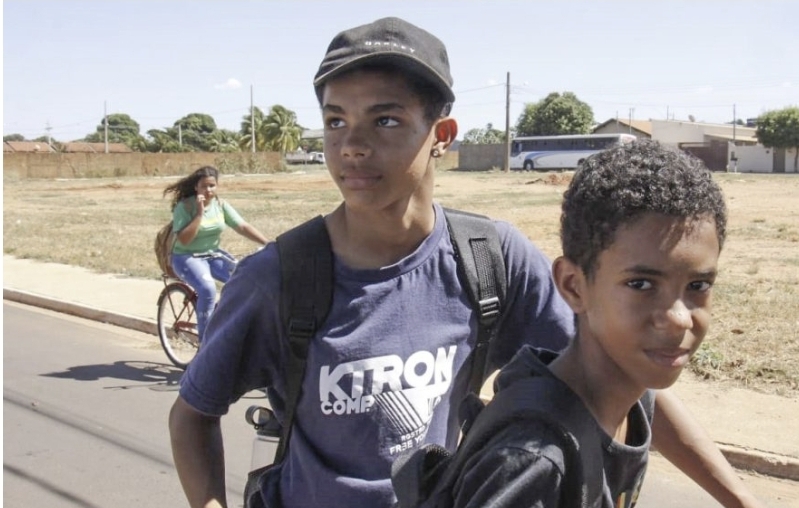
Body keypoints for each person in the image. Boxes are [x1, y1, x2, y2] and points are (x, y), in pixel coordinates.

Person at [169, 17, 763, 508]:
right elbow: (193, 413)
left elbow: (626, 369)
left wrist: (738, 499)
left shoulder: (490, 259)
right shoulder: (279, 277)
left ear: (443, 133)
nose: (352, 144)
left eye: (386, 120)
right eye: (335, 120)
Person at [444, 140, 764, 508]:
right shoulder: (535, 463)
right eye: (641, 285)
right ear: (573, 286)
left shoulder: (628, 389)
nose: (678, 318)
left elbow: (657, 403)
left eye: (698, 286)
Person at [163, 165, 269, 340]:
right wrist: (199, 213)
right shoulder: (185, 207)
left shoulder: (220, 205)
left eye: (212, 185)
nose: (208, 190)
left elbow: (242, 226)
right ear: (196, 187)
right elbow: (184, 240)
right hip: (186, 257)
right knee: (208, 290)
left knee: (245, 280)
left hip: (212, 254)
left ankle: (223, 319)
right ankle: (205, 345)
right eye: (204, 186)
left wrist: (268, 243)